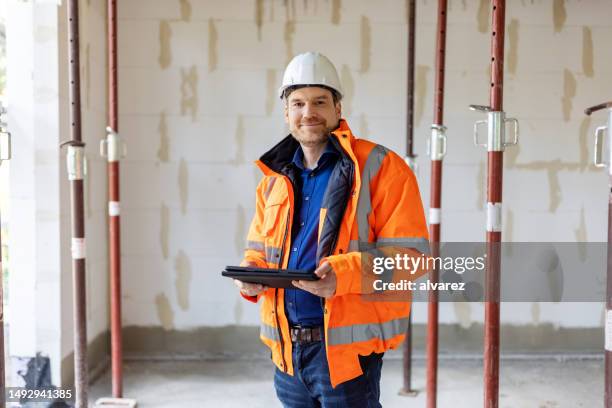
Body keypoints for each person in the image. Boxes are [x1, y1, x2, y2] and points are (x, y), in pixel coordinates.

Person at [234, 51, 429, 407]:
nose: (308, 112)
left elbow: (413, 259)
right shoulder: (273, 182)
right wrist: (251, 274)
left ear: (338, 109)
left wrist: (344, 275)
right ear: (287, 113)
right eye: (298, 103)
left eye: (319, 101)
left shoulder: (381, 168)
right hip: (287, 353)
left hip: (345, 356)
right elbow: (259, 252)